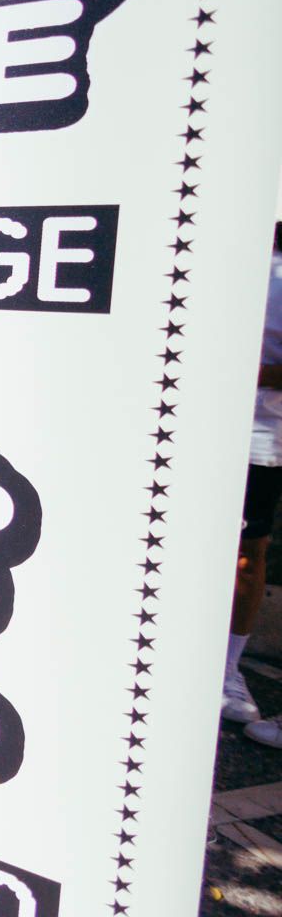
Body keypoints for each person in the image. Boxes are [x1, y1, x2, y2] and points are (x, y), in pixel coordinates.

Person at [230, 225, 282, 742]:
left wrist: (245, 373)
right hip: (187, 429)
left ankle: (227, 671)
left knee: (246, 556)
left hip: (260, 439)